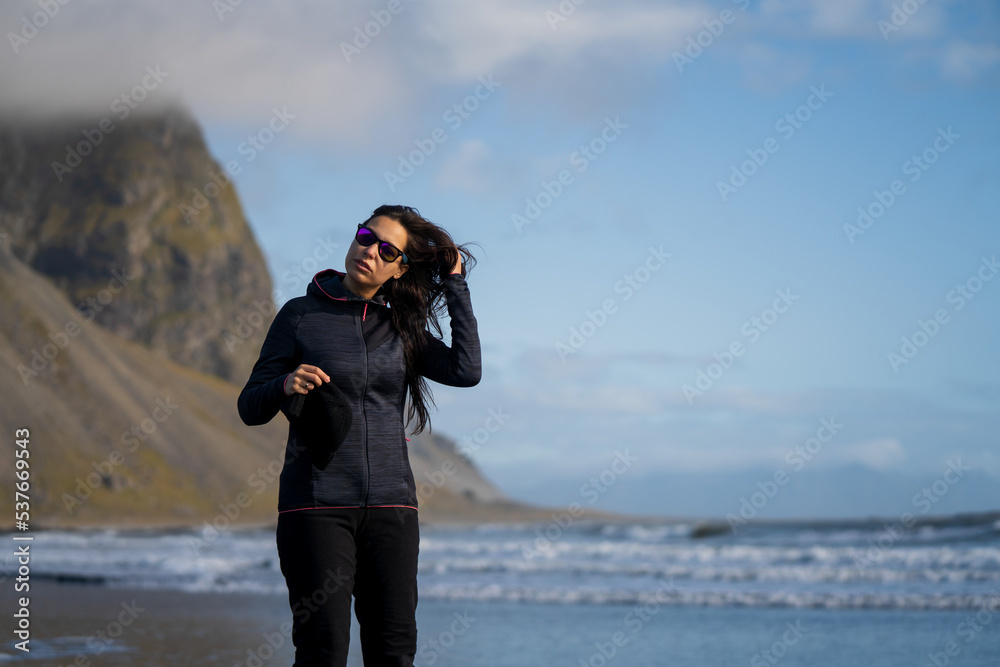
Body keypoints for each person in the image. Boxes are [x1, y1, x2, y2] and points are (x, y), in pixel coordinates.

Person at [237, 205, 482, 666]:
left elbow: (466, 370)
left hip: (393, 509)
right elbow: (249, 406)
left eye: (386, 249)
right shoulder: (300, 315)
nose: (370, 251)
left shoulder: (402, 327)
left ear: (398, 269)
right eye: (366, 237)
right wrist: (284, 383)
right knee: (322, 652)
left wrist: (455, 283)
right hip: (315, 508)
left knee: (394, 652)